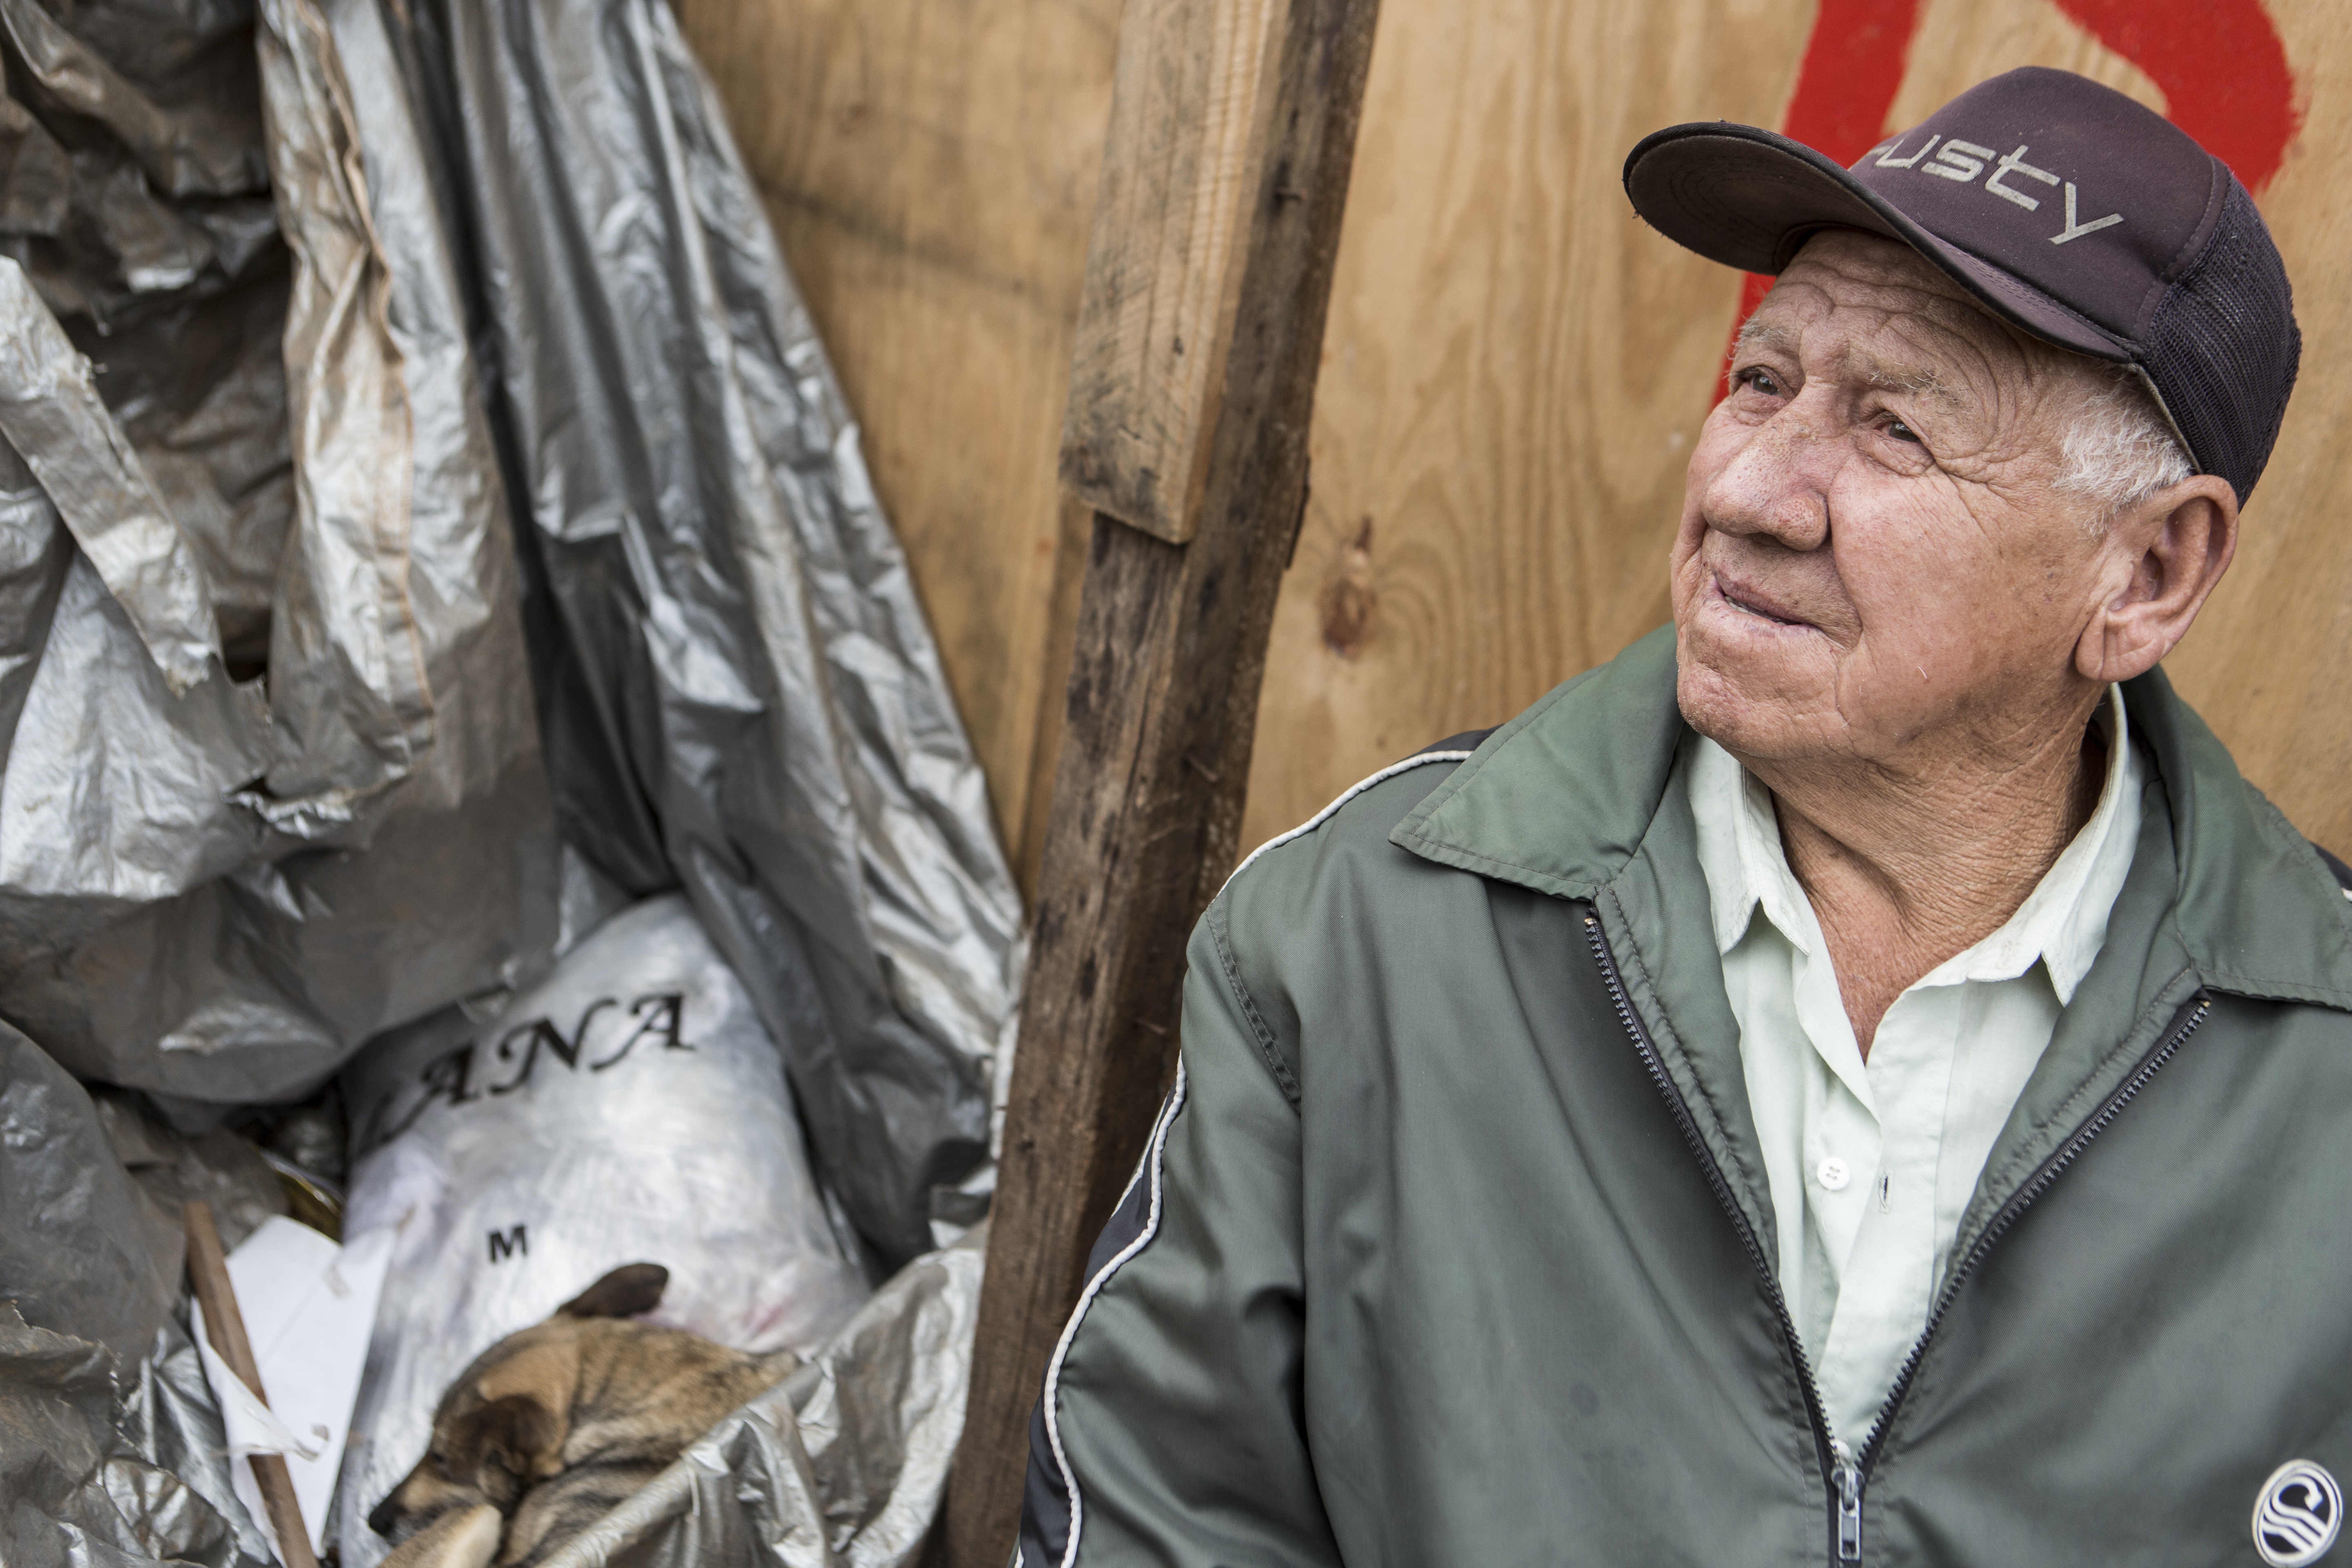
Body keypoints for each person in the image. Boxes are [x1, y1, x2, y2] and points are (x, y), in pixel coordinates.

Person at [1013, 67, 2350, 1567]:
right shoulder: (1363, 936)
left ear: (2150, 575)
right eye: (1762, 381)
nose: (1752, 490)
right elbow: (1162, 1518)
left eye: (1897, 428)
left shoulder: (2323, 1079)